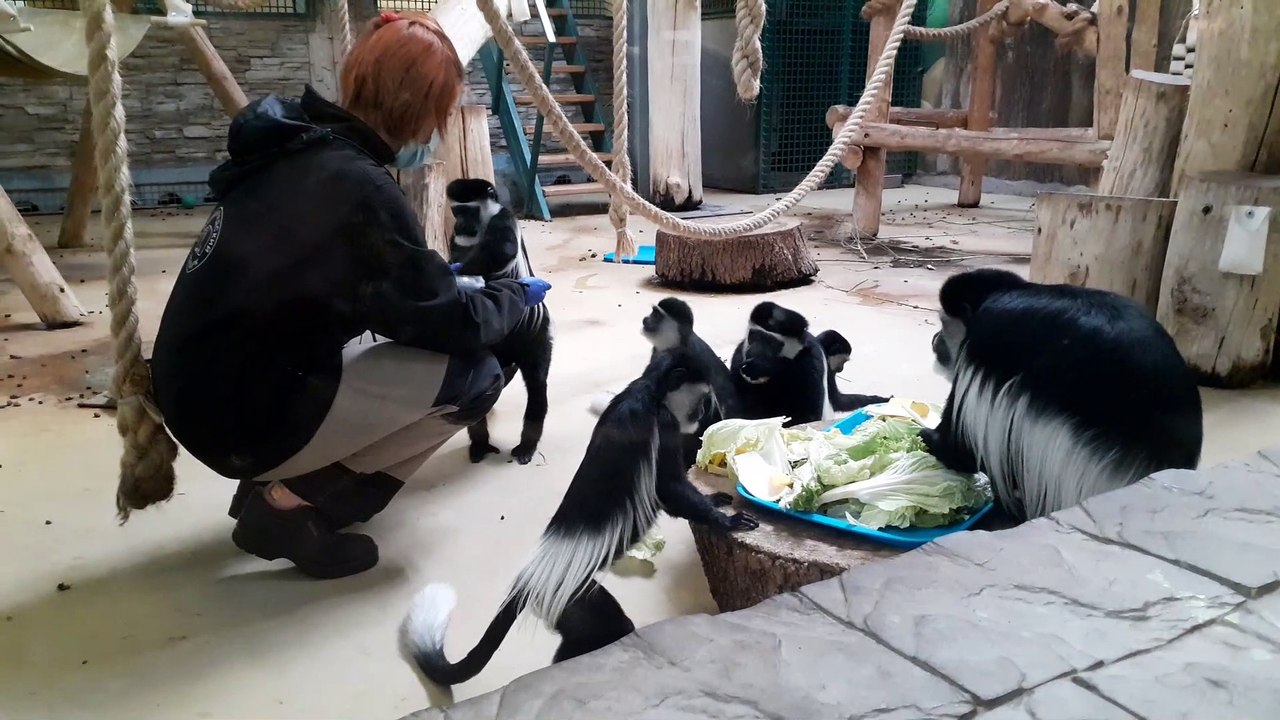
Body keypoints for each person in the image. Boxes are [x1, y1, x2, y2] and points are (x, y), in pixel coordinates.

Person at [149, 11, 551, 580]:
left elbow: (373, 287)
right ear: (420, 112)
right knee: (476, 376)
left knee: (378, 346)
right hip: (239, 423)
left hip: (197, 393)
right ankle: (287, 509)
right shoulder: (358, 186)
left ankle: (275, 483)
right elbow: (451, 323)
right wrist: (512, 295)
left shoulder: (293, 147)